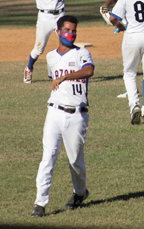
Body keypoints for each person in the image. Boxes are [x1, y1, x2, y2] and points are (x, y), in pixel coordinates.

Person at [31, 15, 94, 217]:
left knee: (75, 160)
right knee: (48, 157)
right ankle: (40, 204)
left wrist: (66, 76)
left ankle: (80, 192)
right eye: (67, 30)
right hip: (54, 112)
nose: (71, 34)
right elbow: (53, 77)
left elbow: (89, 71)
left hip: (77, 115)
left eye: (74, 31)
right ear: (58, 32)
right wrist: (60, 78)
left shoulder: (82, 53)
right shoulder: (50, 56)